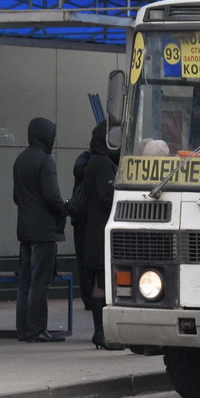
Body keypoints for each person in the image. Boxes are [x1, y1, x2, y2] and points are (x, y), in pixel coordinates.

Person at [13, 117, 67, 342]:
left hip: (25, 228)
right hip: (44, 230)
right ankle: (37, 330)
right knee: (40, 282)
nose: (53, 139)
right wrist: (65, 208)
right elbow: (52, 197)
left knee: (25, 281)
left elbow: (17, 196)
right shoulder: (45, 161)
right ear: (45, 135)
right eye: (51, 135)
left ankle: (23, 329)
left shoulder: (20, 160)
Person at [84, 121, 126, 350]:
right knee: (102, 284)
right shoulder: (102, 164)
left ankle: (101, 332)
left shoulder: (93, 161)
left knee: (100, 284)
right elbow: (107, 197)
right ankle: (101, 333)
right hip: (102, 234)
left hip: (94, 231)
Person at [71, 150, 92, 310]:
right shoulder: (87, 158)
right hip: (85, 219)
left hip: (82, 219)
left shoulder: (85, 159)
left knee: (85, 262)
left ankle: (89, 297)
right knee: (86, 262)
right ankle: (89, 298)